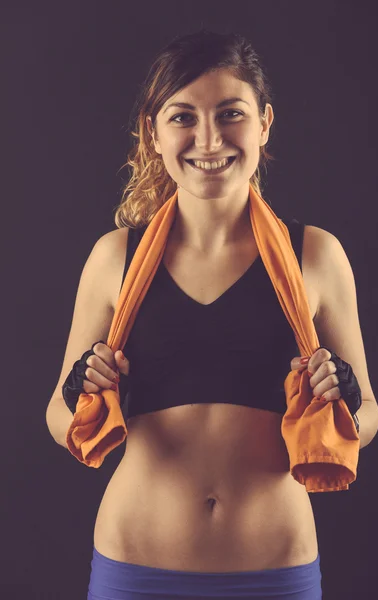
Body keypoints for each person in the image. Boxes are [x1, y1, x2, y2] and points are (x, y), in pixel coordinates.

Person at [47, 29, 324, 599]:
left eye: (231, 114)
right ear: (153, 131)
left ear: (264, 122)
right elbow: (59, 415)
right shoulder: (113, 258)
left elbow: (367, 416)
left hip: (275, 571)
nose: (208, 138)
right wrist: (82, 389)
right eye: (182, 117)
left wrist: (339, 392)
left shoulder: (314, 256)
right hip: (135, 568)